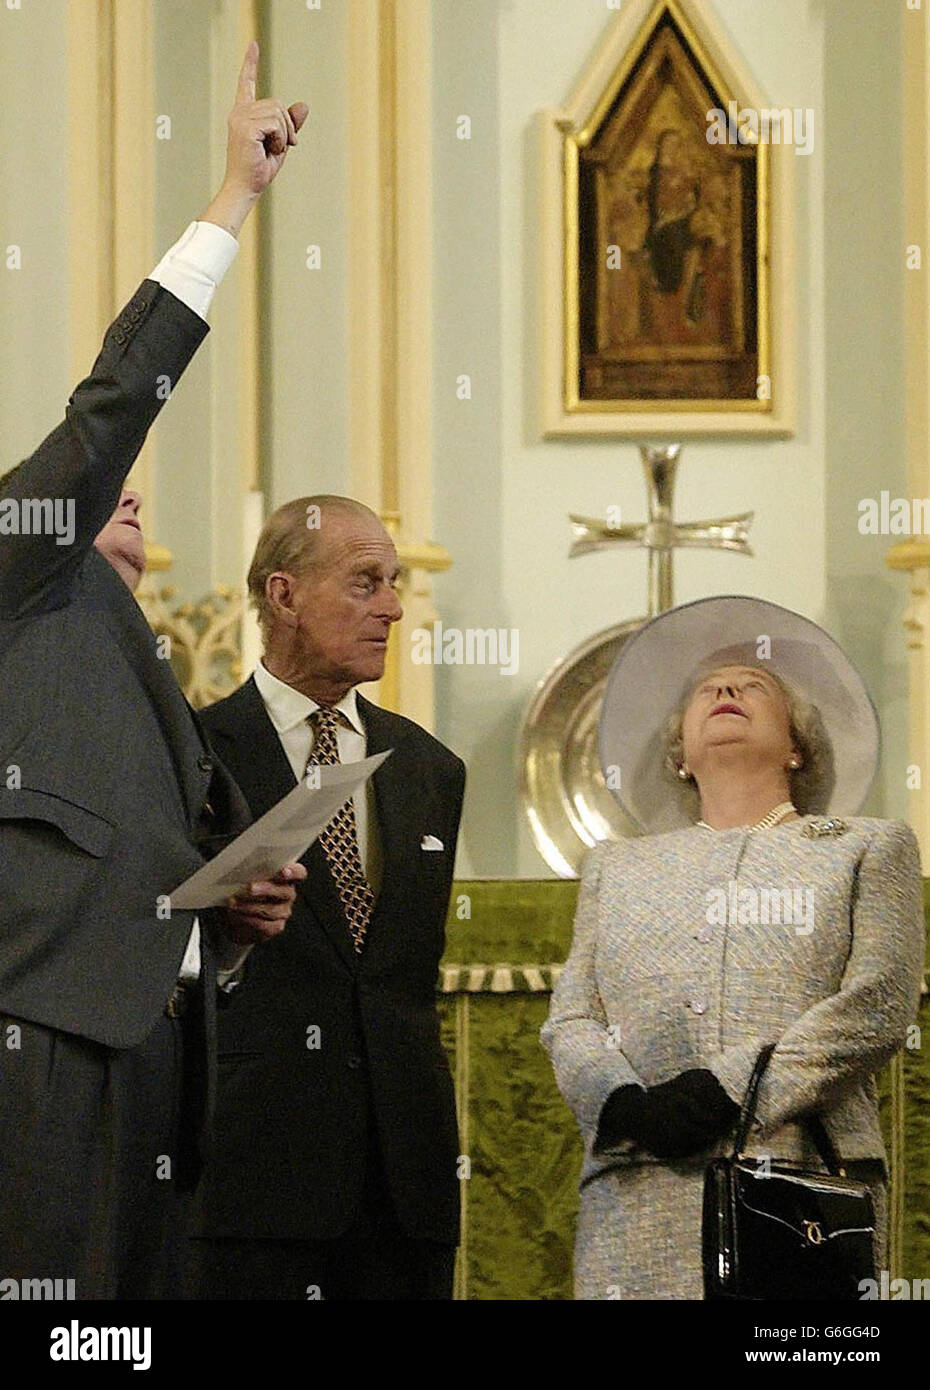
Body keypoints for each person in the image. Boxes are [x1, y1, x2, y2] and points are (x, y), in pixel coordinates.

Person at [0, 44, 309, 1299]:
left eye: (135, 500)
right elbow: (111, 407)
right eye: (98, 495)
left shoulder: (133, 652)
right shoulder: (22, 568)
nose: (124, 493)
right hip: (49, 1036)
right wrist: (229, 201)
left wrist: (226, 923)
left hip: (163, 1054)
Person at [541, 595, 925, 1300]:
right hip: (636, 1193)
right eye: (706, 690)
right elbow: (571, 1018)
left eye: (755, 685)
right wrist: (622, 1103)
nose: (725, 689)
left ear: (798, 744)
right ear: (679, 753)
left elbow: (879, 1003)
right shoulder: (616, 866)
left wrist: (730, 1089)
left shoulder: (866, 847)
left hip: (799, 1184)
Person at [192, 496, 466, 1300]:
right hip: (251, 1178)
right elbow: (151, 941)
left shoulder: (429, 768)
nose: (391, 607)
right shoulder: (192, 751)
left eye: (394, 583)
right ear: (282, 596)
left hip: (403, 1191)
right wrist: (225, 929)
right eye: (364, 583)